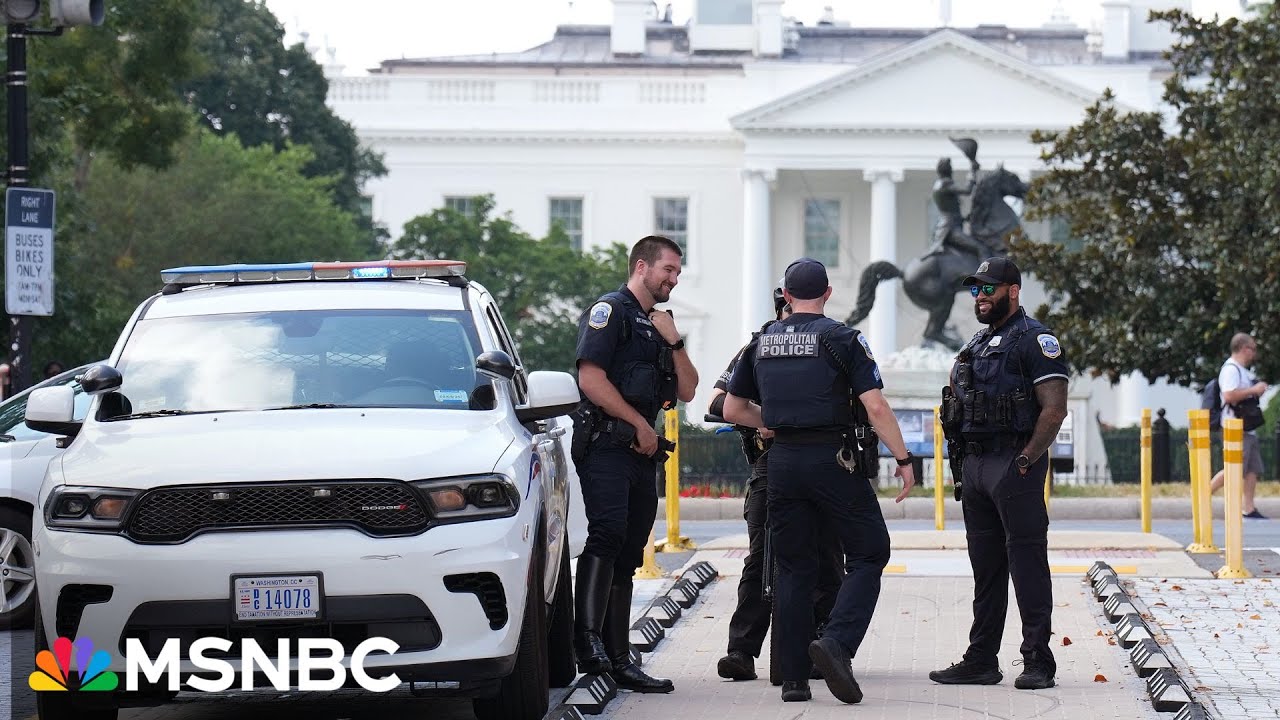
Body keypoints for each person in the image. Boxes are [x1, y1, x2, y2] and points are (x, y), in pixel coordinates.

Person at [724, 257, 916, 704]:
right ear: (828, 293)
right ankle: (836, 642)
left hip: (782, 462)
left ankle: (793, 681)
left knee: (794, 566)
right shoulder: (842, 338)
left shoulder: (762, 341)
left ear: (787, 296)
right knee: (870, 551)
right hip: (833, 459)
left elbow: (732, 408)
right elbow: (876, 407)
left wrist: (770, 422)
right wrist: (903, 459)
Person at [931, 257, 1068, 691]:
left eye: (988, 288)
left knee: (1027, 564)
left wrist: (1026, 460)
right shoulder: (976, 343)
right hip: (975, 466)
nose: (980, 296)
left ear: (1013, 290)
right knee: (986, 569)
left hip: (1013, 463)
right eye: (975, 290)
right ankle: (981, 660)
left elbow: (1054, 409)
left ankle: (1038, 661)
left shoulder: (1036, 339)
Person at [571, 234, 698, 693]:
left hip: (641, 453)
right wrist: (638, 424)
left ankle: (619, 659)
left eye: (678, 272)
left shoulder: (659, 325)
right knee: (607, 535)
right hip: (608, 445)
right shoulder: (611, 312)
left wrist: (675, 341)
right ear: (641, 267)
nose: (674, 279)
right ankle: (587, 644)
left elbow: (688, 390)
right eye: (668, 269)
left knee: (629, 551)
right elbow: (590, 379)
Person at [711, 287, 843, 683]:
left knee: (826, 557)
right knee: (760, 558)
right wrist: (763, 417)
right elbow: (718, 401)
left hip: (820, 462)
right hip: (770, 464)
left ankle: (823, 646)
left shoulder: (831, 342)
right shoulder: (759, 346)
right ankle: (741, 651)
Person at [1208, 333, 1268, 519]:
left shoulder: (1242, 371)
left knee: (1252, 469)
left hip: (1247, 427)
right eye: (1253, 349)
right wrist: (1253, 390)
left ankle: (1248, 508)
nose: (1254, 353)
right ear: (1243, 348)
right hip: (1234, 426)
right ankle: (1203, 494)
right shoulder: (1231, 370)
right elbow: (1229, 395)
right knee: (1233, 468)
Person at [931, 157, 989, 257]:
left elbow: (950, 210)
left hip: (946, 226)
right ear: (949, 171)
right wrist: (973, 171)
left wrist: (965, 218)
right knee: (981, 248)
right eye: (951, 168)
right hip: (951, 229)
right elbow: (967, 190)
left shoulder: (938, 185)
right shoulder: (945, 184)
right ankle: (986, 268)